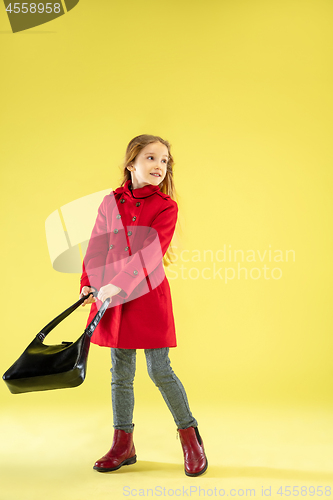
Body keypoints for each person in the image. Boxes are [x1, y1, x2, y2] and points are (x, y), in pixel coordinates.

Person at [79, 134, 208, 477]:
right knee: (120, 373)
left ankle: (190, 438)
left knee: (159, 370)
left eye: (164, 161)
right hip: (112, 298)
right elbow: (96, 245)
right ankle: (123, 444)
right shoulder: (110, 202)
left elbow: (150, 255)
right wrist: (87, 283)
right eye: (151, 158)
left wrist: (116, 283)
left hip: (147, 298)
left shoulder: (166, 206)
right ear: (131, 163)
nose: (159, 166)